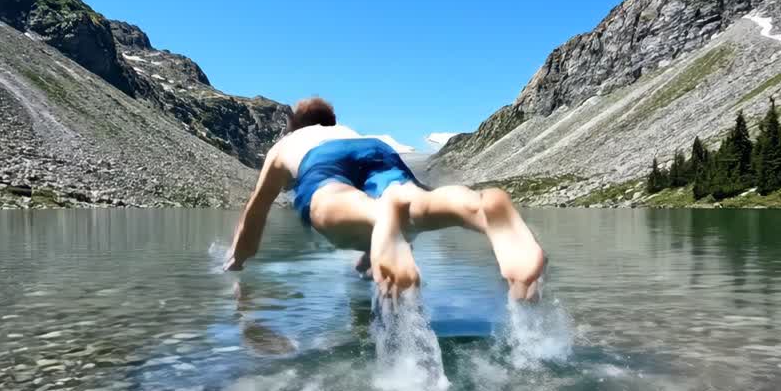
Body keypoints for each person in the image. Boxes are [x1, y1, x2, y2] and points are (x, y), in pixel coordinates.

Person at [223, 97, 546, 300]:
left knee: (328, 202)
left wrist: (238, 259)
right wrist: (373, 253)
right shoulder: (346, 131)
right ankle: (480, 207)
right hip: (377, 149)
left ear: (294, 126)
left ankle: (382, 213)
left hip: (323, 160)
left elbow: (256, 211)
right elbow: (398, 232)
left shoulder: (288, 144)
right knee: (413, 203)